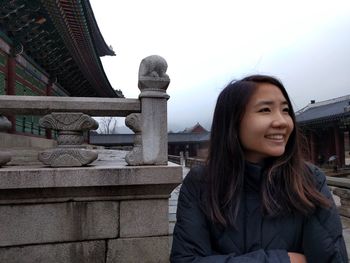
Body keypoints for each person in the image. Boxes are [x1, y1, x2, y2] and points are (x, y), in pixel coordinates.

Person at [170, 75, 348, 263]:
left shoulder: (308, 180)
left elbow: (332, 258)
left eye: (285, 110)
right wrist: (283, 260)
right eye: (265, 110)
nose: (282, 122)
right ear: (233, 121)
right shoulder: (201, 184)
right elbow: (185, 259)